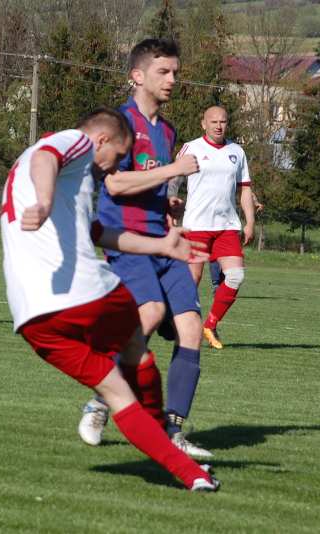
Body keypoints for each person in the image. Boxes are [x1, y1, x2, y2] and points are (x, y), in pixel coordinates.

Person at [0, 108, 219, 491]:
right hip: (87, 293)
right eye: (116, 156)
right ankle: (166, 432)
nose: (112, 167)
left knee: (117, 392)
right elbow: (46, 157)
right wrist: (46, 200)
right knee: (139, 343)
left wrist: (161, 245)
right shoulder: (76, 143)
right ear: (101, 141)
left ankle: (194, 477)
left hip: (33, 318)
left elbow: (99, 232)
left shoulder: (66, 182)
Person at [77, 38, 212, 458]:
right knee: (150, 313)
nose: (173, 79)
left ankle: (173, 429)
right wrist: (173, 170)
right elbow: (114, 184)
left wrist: (168, 204)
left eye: (175, 71)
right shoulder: (120, 123)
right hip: (128, 241)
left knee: (192, 327)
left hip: (164, 241)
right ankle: (101, 400)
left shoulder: (167, 130)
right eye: (163, 72)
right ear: (137, 76)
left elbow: (149, 182)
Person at [169, 106, 255, 349]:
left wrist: (250, 221)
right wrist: (170, 204)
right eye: (214, 121)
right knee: (191, 280)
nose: (219, 125)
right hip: (196, 225)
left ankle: (210, 324)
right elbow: (173, 178)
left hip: (227, 226)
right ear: (203, 124)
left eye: (223, 121)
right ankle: (182, 330)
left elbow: (245, 188)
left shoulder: (237, 152)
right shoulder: (192, 147)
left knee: (236, 276)